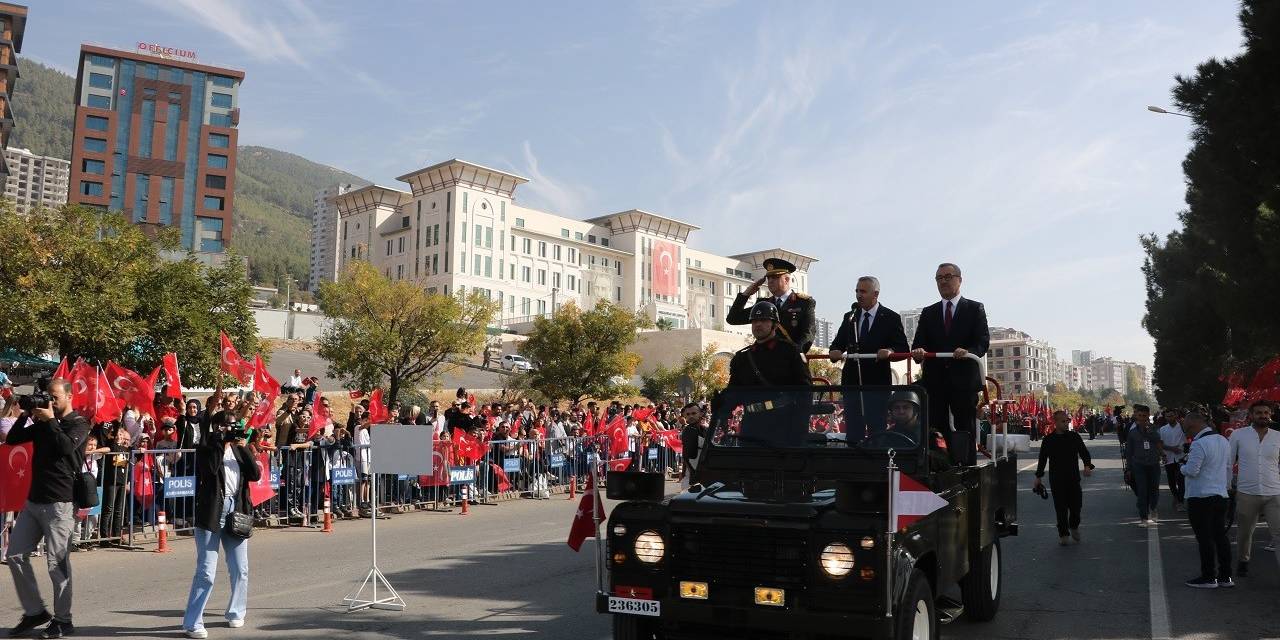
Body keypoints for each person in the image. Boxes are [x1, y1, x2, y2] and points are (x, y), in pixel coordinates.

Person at [4, 378, 90, 639]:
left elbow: (65, 447)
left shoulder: (79, 423)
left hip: (60, 504)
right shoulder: (42, 422)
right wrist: (27, 414)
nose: (50, 401)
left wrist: (51, 419)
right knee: (15, 555)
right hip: (34, 501)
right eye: (47, 397)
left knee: (57, 564)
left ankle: (63, 620)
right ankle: (35, 613)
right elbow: (13, 439)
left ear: (69, 397)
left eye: (55, 397)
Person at [182, 394, 261, 638]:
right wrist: (221, 442)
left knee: (240, 567)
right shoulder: (206, 447)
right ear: (217, 426)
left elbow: (255, 474)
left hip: (235, 511)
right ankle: (192, 622)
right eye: (226, 424)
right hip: (212, 512)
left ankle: (236, 611)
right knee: (206, 571)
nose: (230, 428)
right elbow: (211, 468)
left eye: (233, 424)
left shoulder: (239, 449)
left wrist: (242, 444)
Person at [910, 263, 990, 456]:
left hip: (963, 380)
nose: (943, 281)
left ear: (959, 280)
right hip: (935, 380)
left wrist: (968, 351)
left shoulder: (974, 308)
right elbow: (918, 343)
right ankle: (941, 465)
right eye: (939, 278)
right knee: (936, 427)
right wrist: (919, 351)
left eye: (948, 276)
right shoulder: (929, 312)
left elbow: (982, 342)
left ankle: (967, 466)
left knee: (965, 427)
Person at [723, 301, 812, 447]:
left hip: (783, 424)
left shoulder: (790, 352)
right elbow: (733, 393)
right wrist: (721, 407)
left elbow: (805, 393)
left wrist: (800, 431)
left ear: (775, 325)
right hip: (752, 425)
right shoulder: (742, 358)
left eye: (763, 320)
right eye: (755, 321)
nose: (758, 324)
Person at [1179, 405, 1233, 588]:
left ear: (1194, 423)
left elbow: (1192, 471)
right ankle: (1226, 576)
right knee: (1220, 536)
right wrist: (1227, 488)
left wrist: (1182, 467)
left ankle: (1209, 577)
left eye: (1186, 423)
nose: (1184, 426)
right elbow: (1228, 469)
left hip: (1201, 496)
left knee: (1205, 538)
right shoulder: (1223, 441)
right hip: (1220, 495)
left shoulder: (1199, 443)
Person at [1227, 400, 1279, 578]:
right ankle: (1243, 560)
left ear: (1270, 415)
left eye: (1266, 412)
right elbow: (1229, 462)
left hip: (1274, 493)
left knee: (1279, 534)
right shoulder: (1238, 435)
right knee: (1245, 532)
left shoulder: (1278, 436)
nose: (1263, 416)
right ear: (1251, 415)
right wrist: (1227, 486)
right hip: (1247, 492)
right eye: (1259, 413)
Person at [726, 257, 817, 353]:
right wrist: (745, 294)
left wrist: (794, 355)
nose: (770, 281)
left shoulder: (804, 303)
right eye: (769, 277)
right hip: (765, 359)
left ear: (786, 279)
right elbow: (733, 319)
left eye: (775, 277)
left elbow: (808, 334)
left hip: (790, 360)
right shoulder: (763, 305)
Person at [1034, 410, 1095, 545]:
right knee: (1060, 508)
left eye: (1067, 421)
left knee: (1076, 507)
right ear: (1055, 422)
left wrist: (1087, 466)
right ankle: (1063, 533)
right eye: (1063, 421)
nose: (1066, 423)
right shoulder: (1049, 440)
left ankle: (1073, 526)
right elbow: (1042, 459)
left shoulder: (1074, 437)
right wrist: (1038, 477)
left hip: (1073, 478)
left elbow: (1084, 453)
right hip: (1057, 480)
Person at [1123, 405, 1163, 525]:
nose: (1141, 418)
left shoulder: (1154, 429)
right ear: (1136, 416)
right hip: (1138, 464)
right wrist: (1128, 468)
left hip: (1153, 463)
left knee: (1154, 489)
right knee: (1142, 490)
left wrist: (1148, 431)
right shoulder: (1133, 432)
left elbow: (1158, 440)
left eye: (1144, 416)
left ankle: (1153, 507)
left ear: (1148, 415)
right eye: (1139, 415)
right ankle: (1144, 517)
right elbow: (1129, 451)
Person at [1157, 408, 1188, 512]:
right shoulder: (1163, 429)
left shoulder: (1182, 427)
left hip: (1182, 458)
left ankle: (1180, 502)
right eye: (1168, 416)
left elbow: (1188, 437)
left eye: (1172, 415)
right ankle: (1176, 496)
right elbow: (1160, 444)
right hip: (1169, 458)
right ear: (1165, 417)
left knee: (1181, 480)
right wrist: (1171, 449)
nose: (1170, 418)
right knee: (1171, 480)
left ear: (1176, 416)